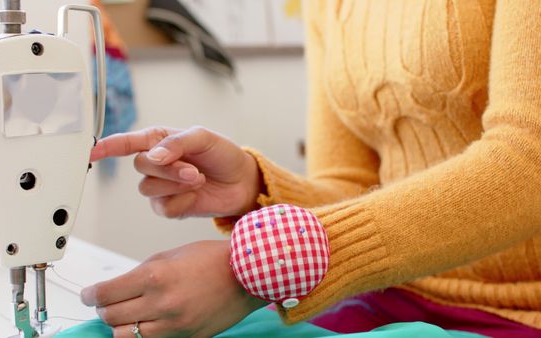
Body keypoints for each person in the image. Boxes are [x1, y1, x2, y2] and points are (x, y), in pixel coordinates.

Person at [80, 1, 541, 337]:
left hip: (521, 311)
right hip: (397, 292)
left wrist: (261, 265)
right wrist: (255, 185)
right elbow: (353, 186)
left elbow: (528, 164)